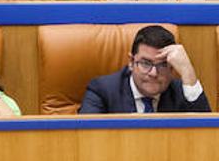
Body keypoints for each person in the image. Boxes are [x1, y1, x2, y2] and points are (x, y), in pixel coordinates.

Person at [80, 25, 210, 113]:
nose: (154, 73)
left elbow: (207, 136)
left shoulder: (182, 92)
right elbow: (86, 138)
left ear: (172, 68)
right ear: (131, 62)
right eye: (146, 63)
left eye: (162, 65)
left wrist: (188, 71)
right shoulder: (103, 91)